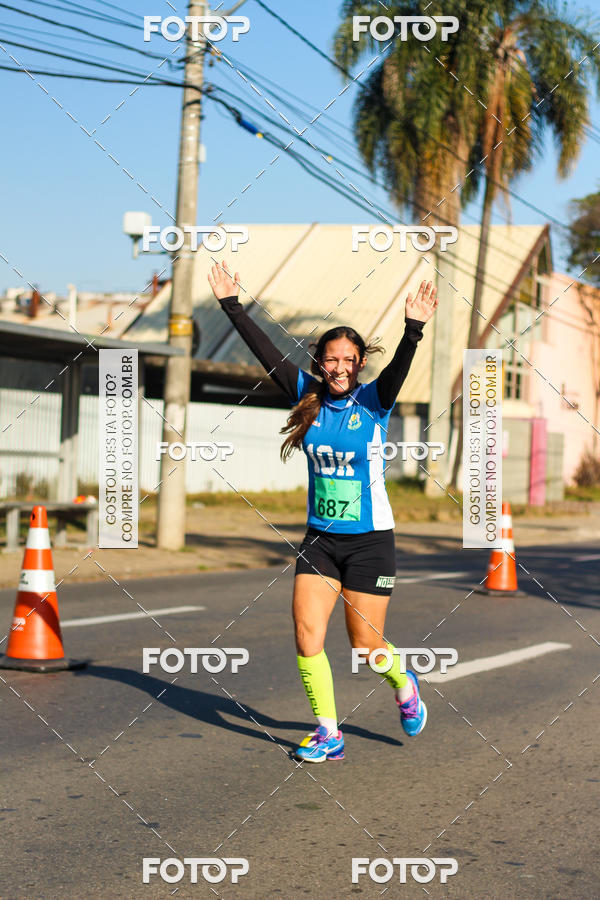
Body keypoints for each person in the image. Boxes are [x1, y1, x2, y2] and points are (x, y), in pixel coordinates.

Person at [208, 261, 438, 762]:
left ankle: (404, 683)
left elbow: (397, 371)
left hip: (370, 542)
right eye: (331, 359)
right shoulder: (305, 395)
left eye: (348, 360)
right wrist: (231, 305)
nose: (339, 368)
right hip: (320, 540)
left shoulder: (374, 402)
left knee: (366, 647)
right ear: (319, 362)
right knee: (307, 634)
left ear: (359, 364)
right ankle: (329, 732)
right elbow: (266, 352)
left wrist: (413, 329)